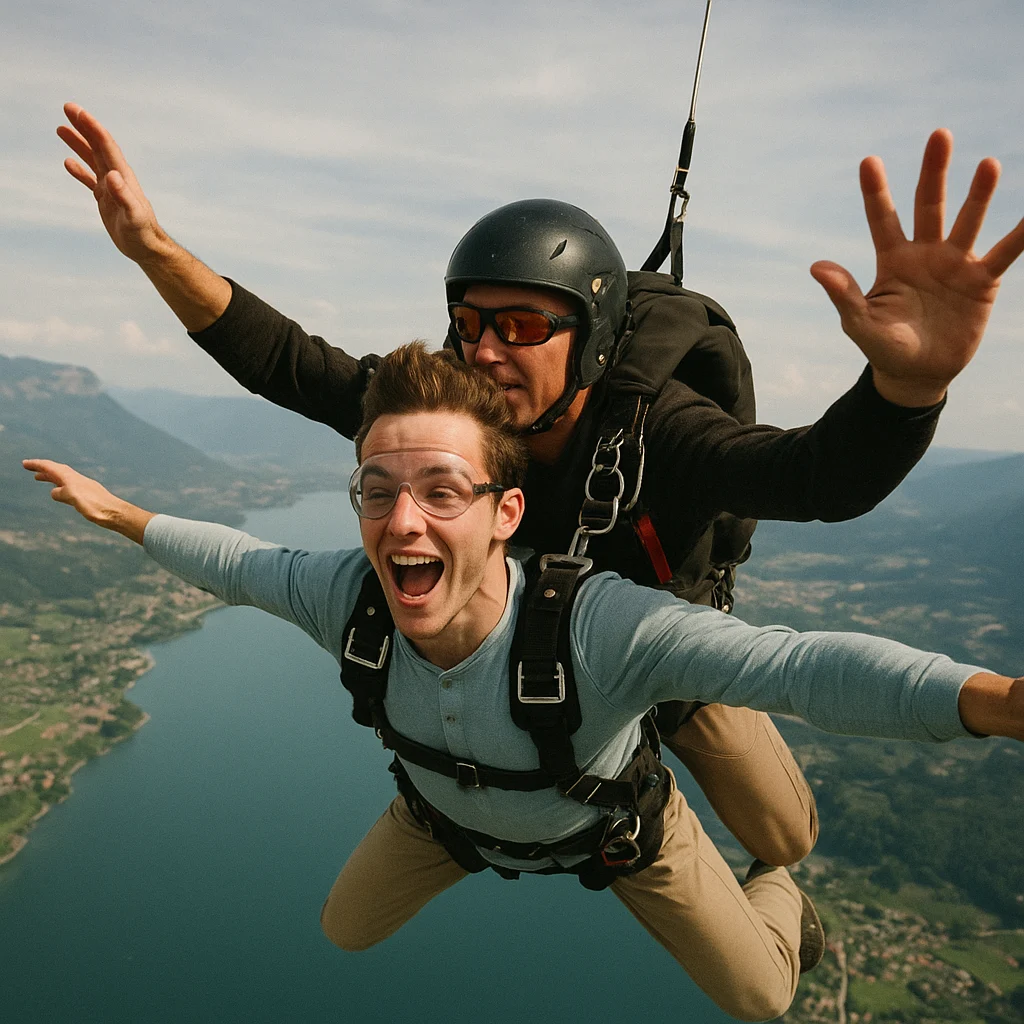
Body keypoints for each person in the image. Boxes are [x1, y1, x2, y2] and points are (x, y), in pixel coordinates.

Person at [55, 103, 1024, 874]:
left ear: (588, 341)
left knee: (784, 841)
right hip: (513, 656)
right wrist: (151, 250)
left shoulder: (659, 430)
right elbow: (285, 362)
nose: (482, 350)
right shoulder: (448, 417)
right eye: (468, 323)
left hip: (654, 648)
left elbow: (811, 477)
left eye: (520, 325)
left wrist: (906, 387)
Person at [23, 344, 1024, 1023]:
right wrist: (118, 513)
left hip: (616, 832)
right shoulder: (350, 596)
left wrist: (987, 702)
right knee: (343, 927)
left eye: (441, 492)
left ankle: (778, 885)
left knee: (761, 997)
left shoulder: (596, 626)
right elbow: (236, 563)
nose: (401, 522)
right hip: (447, 820)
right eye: (378, 491)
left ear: (506, 512)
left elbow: (799, 665)